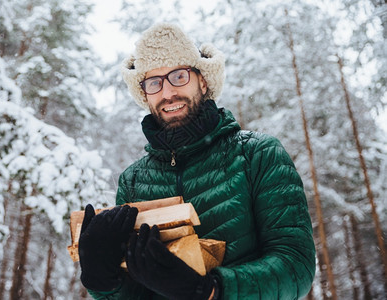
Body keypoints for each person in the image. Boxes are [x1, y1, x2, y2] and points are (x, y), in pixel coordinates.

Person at [78, 23, 316, 299]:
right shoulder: (132, 181)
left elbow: (295, 266)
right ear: (145, 94)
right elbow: (136, 291)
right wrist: (102, 280)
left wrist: (211, 290)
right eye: (154, 82)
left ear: (202, 81)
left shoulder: (258, 155)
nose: (167, 93)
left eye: (179, 76)